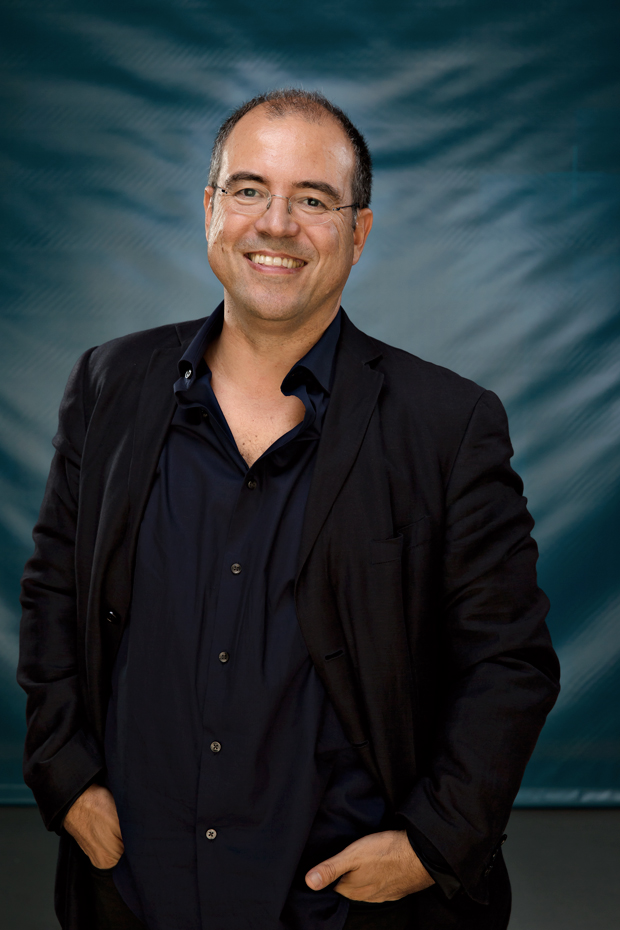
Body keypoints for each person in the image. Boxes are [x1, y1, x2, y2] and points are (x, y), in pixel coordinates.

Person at [18, 89, 560, 930]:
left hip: (341, 911)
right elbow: (54, 592)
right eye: (249, 190)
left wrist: (433, 844)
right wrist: (66, 777)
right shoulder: (108, 384)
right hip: (132, 893)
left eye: (312, 199)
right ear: (210, 208)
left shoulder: (448, 425)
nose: (275, 224)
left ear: (359, 231)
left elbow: (509, 662)